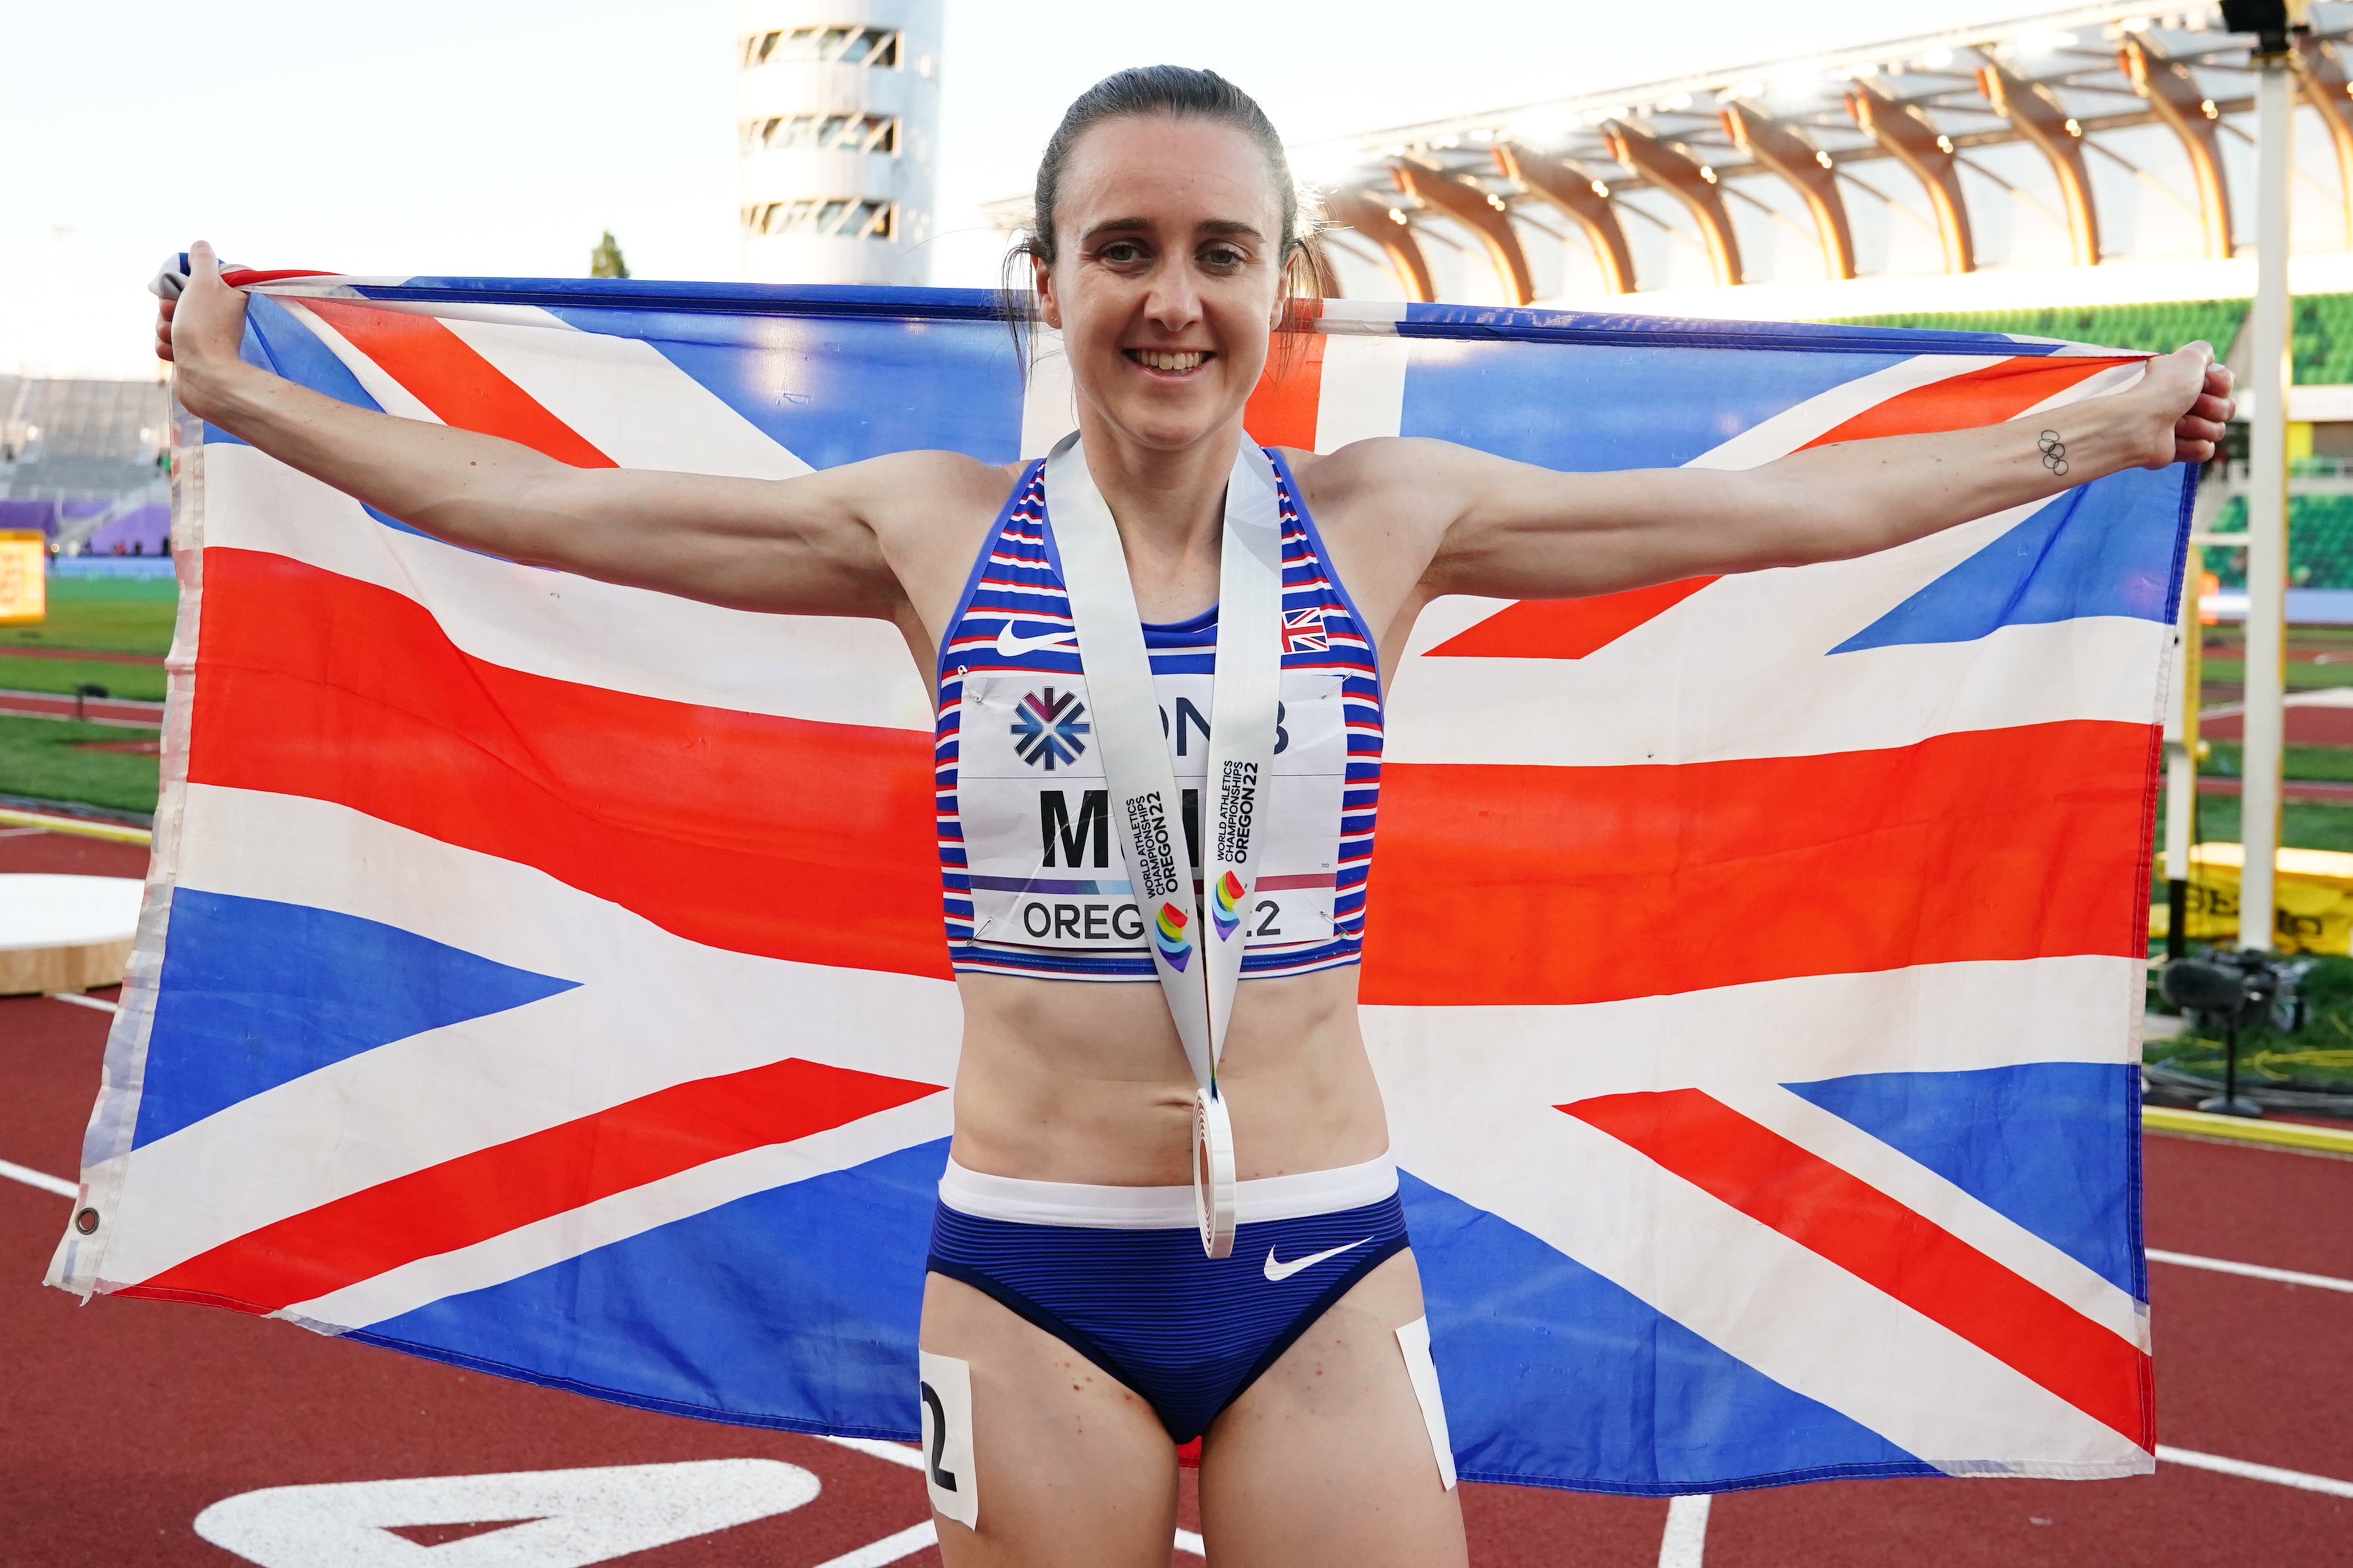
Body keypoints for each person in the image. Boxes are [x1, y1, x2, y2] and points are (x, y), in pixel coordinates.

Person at [158, 66, 2231, 1568]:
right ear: (1039, 283)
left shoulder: (1391, 523)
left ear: (1280, 288)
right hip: (1031, 1269)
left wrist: (2096, 431)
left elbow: (1788, 513)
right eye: (1121, 250)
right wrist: (247, 397)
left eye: (1217, 254)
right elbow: (542, 507)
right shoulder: (928, 533)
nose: (1171, 300)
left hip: (1322, 1264)